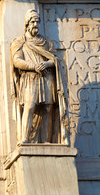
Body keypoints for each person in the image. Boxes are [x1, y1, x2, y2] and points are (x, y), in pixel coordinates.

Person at [10, 9, 67, 144]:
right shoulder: (19, 42)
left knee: (48, 108)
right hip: (29, 78)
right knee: (29, 107)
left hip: (47, 77)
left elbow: (55, 59)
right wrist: (33, 66)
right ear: (27, 24)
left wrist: (46, 64)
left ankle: (47, 141)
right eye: (32, 21)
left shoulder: (47, 43)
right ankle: (24, 138)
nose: (35, 24)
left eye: (37, 21)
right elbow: (16, 61)